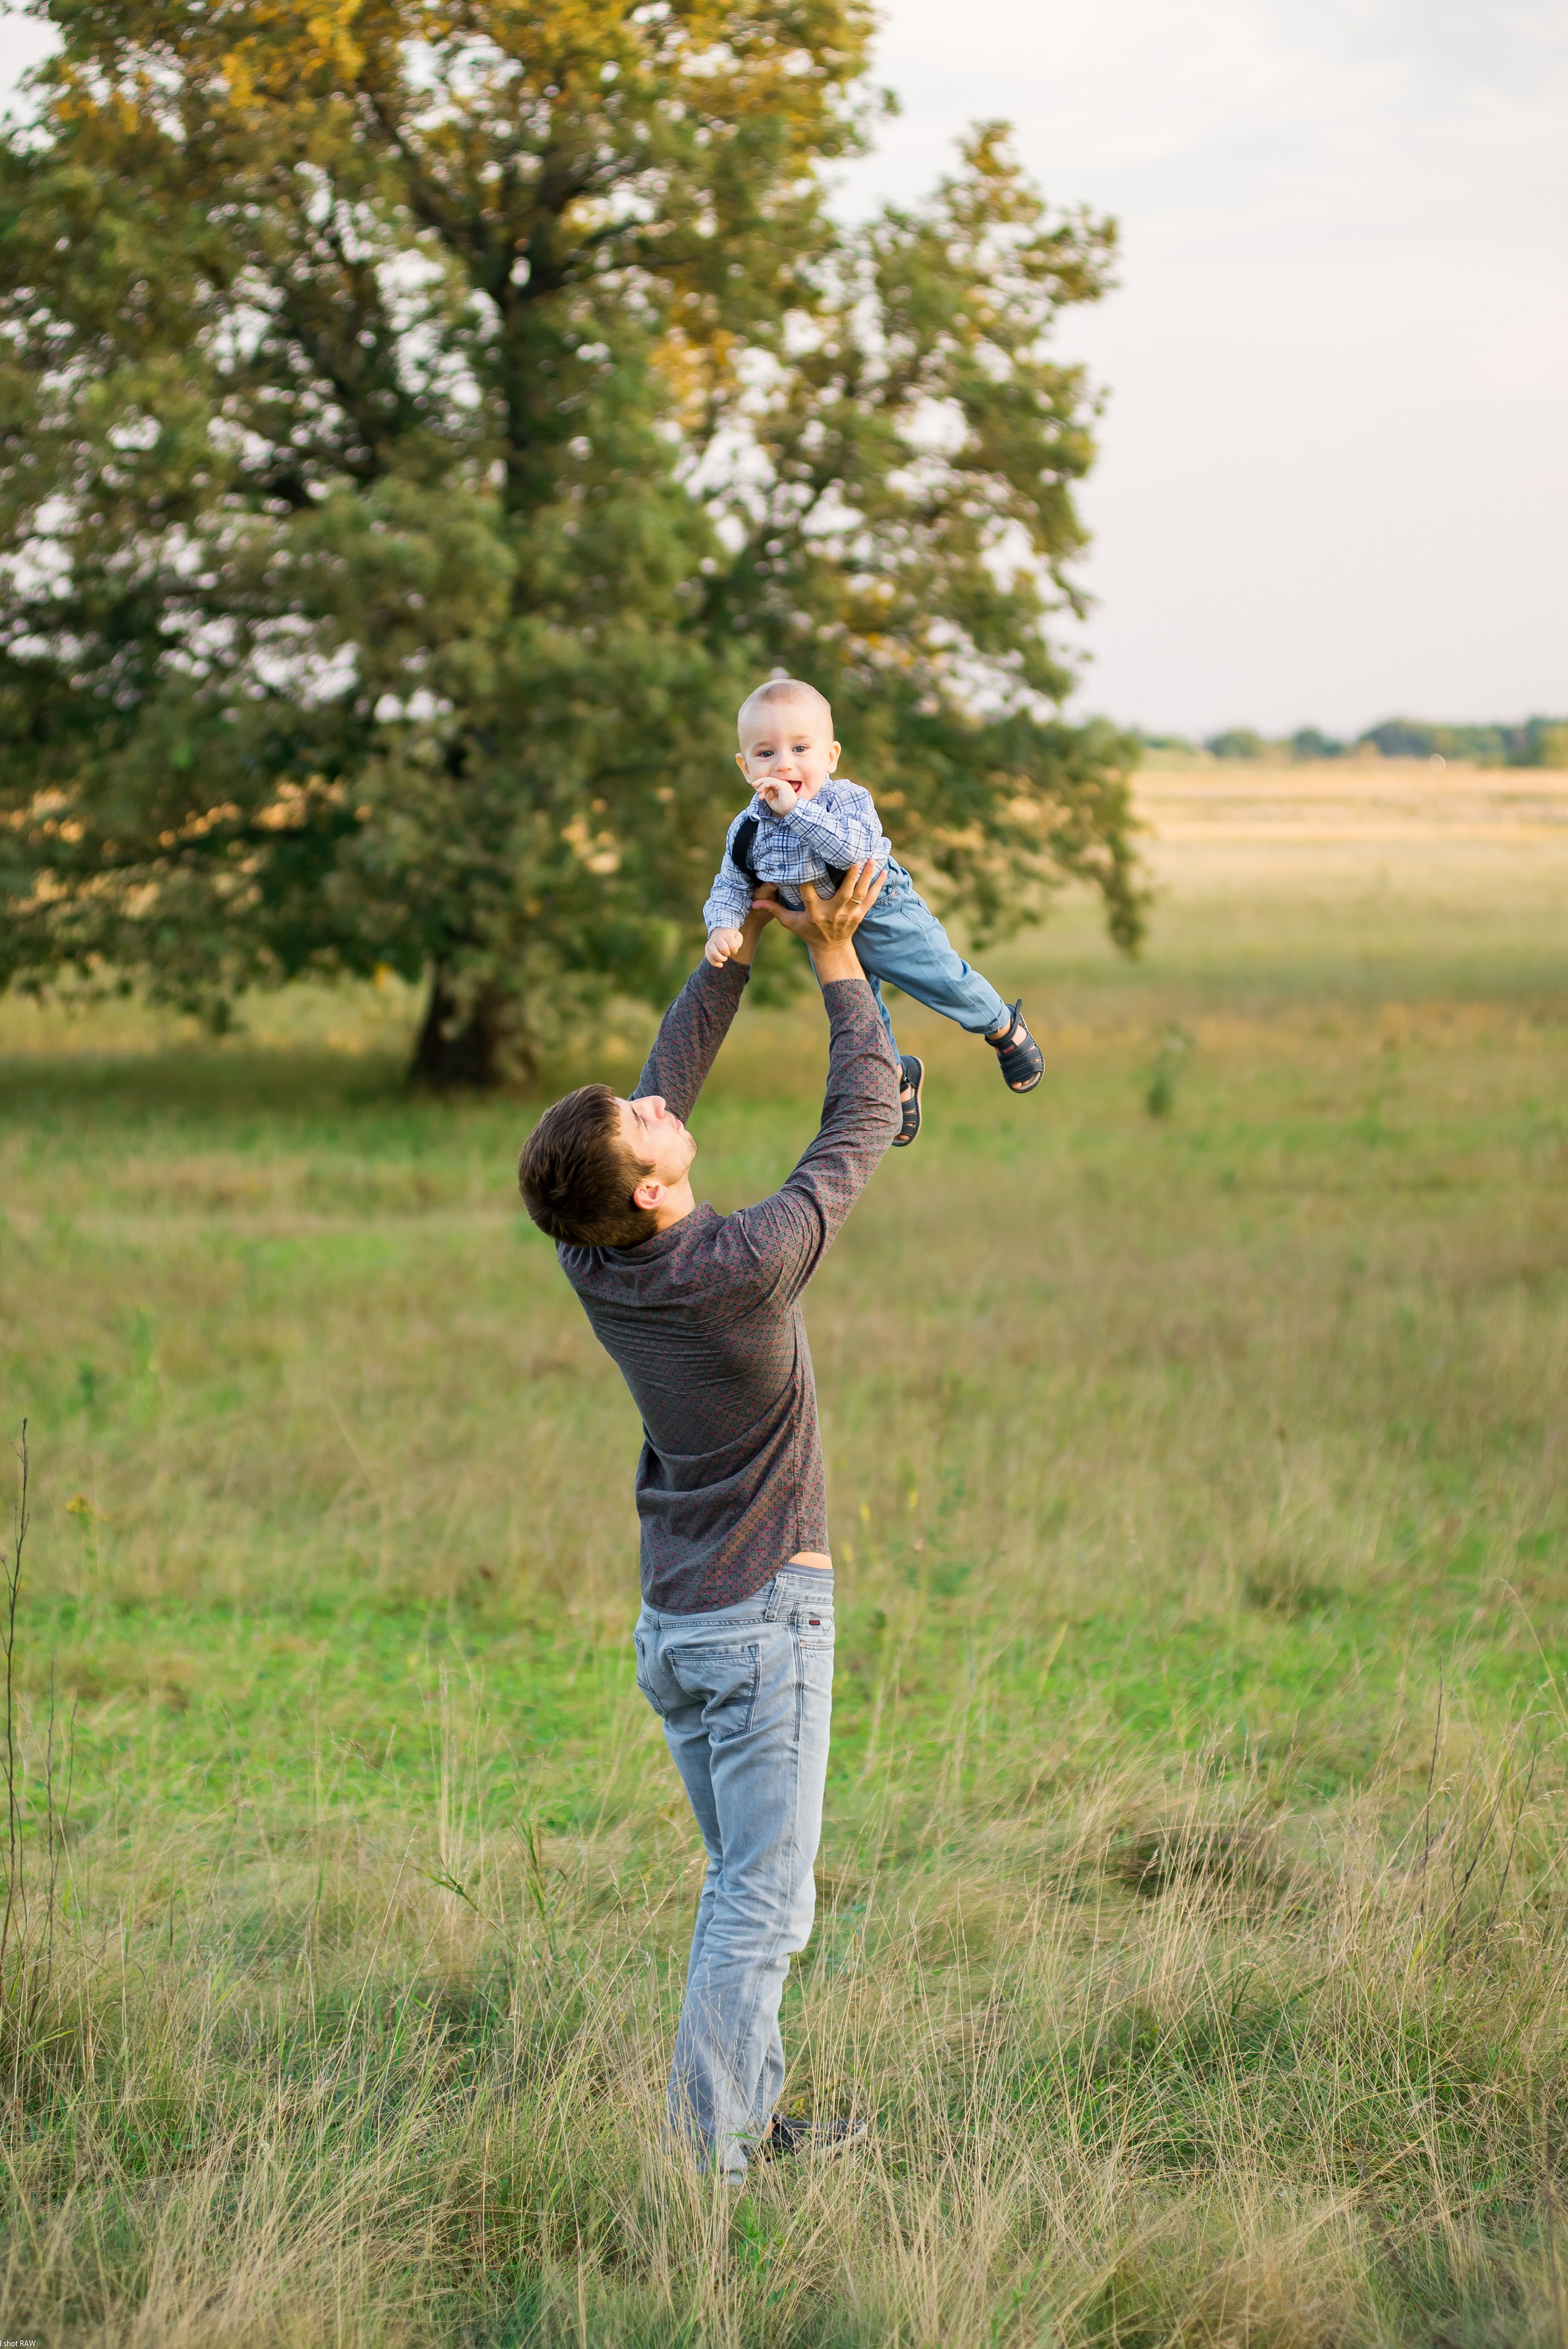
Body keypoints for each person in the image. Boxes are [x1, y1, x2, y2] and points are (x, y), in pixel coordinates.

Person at [517, 862, 902, 2187]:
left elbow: (662, 1078)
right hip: (760, 1623)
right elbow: (855, 1131)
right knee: (761, 1907)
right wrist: (840, 964)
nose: (653, 1101)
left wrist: (727, 958)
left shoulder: (593, 1254)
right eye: (638, 1123)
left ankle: (752, 2114)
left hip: (676, 1631)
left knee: (742, 1886)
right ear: (647, 1190)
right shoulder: (738, 1271)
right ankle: (712, 2167)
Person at [703, 676, 1045, 1147]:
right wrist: (722, 924)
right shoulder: (746, 830)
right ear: (745, 767)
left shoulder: (848, 800)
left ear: (831, 756)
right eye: (766, 753)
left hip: (880, 906)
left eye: (801, 748)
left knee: (940, 976)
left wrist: (796, 810)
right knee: (861, 1013)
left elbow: (853, 849)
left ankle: (1002, 1025)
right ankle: (897, 1080)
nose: (784, 764)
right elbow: (732, 882)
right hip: (822, 927)